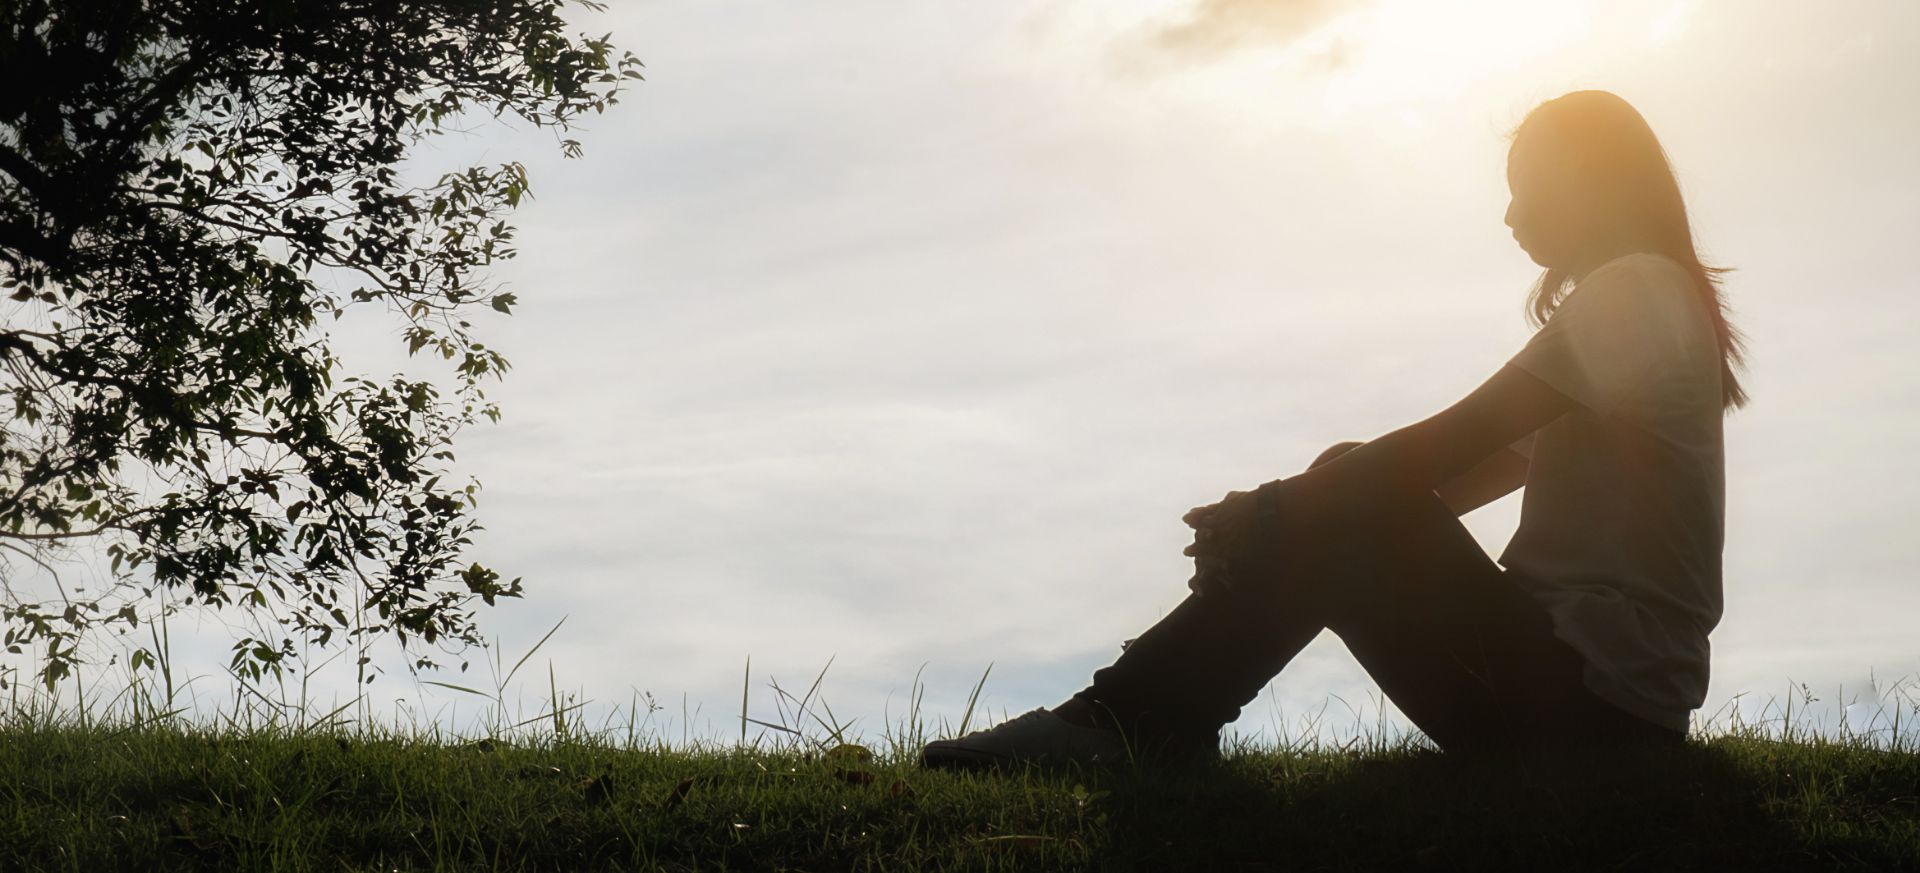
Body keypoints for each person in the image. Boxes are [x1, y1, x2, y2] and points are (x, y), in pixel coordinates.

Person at [920, 89, 1749, 771]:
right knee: (1345, 482)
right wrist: (1287, 526)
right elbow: (1444, 484)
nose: (1508, 214)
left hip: (1587, 711)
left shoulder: (1636, 293)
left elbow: (1454, 438)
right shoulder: (1650, 298)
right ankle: (1144, 713)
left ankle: (1125, 719)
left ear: (1586, 176)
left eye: (1525, 182)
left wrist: (1276, 509)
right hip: (1588, 706)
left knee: (1342, 488)